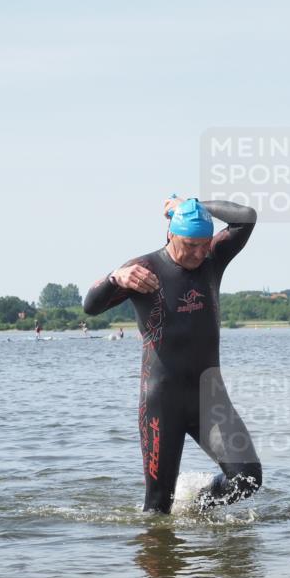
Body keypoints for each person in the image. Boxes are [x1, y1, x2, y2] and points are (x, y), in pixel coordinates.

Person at [83, 195, 262, 514]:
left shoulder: (212, 260)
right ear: (170, 234)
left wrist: (193, 204)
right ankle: (161, 547)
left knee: (246, 479)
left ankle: (194, 507)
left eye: (203, 244)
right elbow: (91, 306)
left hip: (210, 398)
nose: (197, 253)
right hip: (161, 403)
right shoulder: (143, 269)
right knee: (156, 508)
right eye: (189, 244)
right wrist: (115, 278)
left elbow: (246, 217)